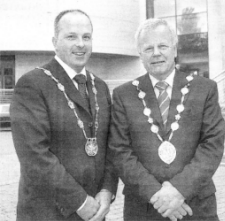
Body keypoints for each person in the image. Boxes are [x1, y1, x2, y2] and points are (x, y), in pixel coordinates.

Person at [108, 18, 225, 221]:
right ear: (140, 54)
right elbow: (120, 151)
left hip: (195, 206)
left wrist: (179, 190)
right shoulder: (123, 95)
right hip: (143, 208)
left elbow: (212, 145)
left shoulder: (204, 89)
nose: (156, 53)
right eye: (148, 48)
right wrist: (157, 195)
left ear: (175, 49)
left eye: (162, 46)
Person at [10, 9, 117, 221]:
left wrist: (107, 190)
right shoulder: (33, 84)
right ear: (54, 41)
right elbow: (34, 155)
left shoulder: (101, 87)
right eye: (71, 36)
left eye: (86, 37)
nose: (80, 44)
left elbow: (111, 146)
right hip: (48, 212)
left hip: (95, 212)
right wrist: (79, 201)